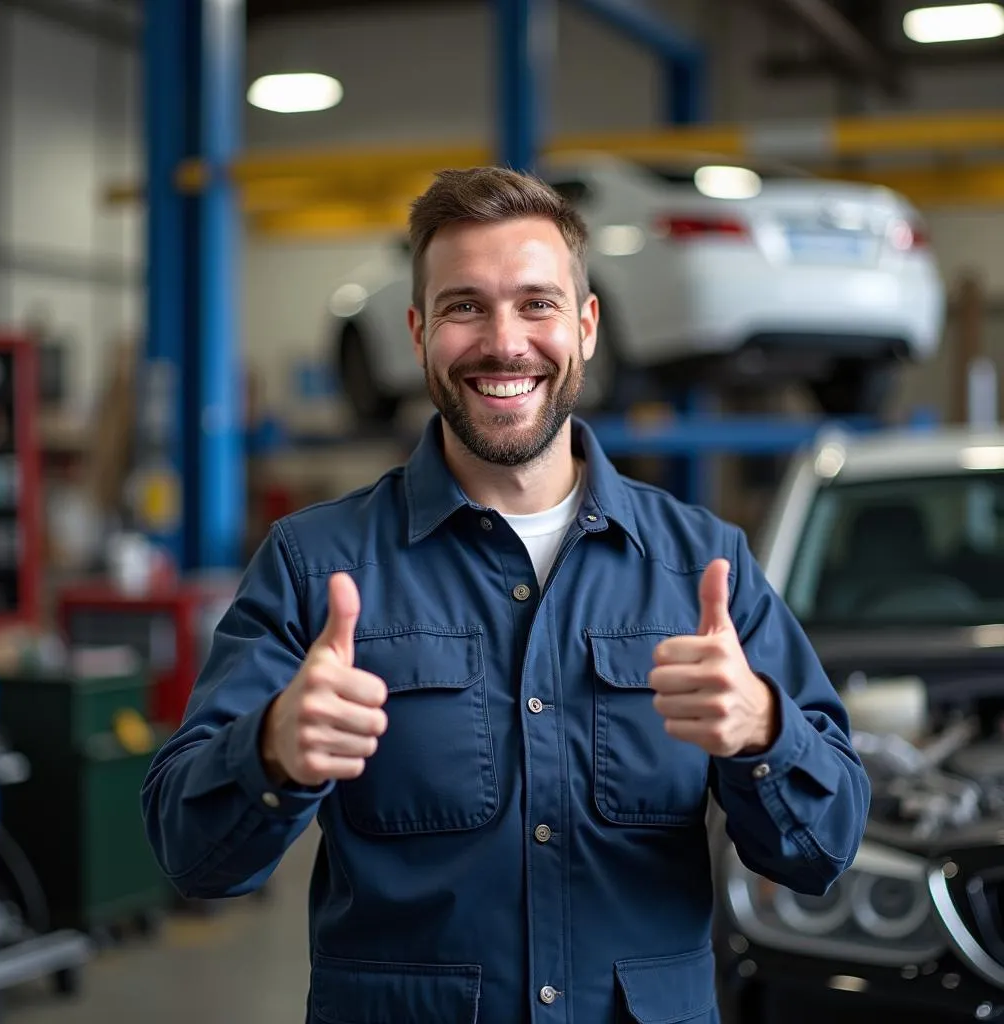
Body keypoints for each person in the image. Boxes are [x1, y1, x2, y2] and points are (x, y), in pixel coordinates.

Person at [142, 166, 870, 1024]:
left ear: (587, 326)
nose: (504, 341)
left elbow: (825, 853)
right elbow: (191, 858)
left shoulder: (702, 565)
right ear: (417, 333)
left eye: (537, 303)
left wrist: (764, 733)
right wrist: (269, 752)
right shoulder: (315, 565)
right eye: (463, 307)